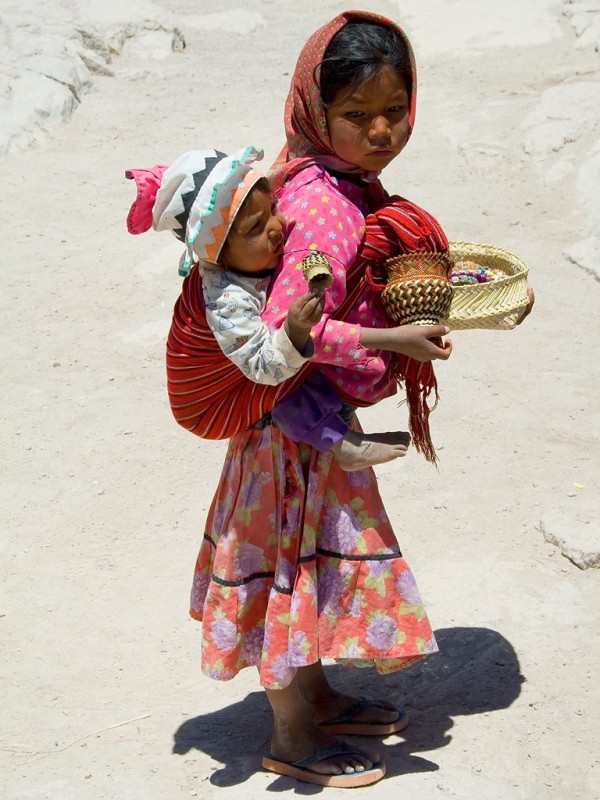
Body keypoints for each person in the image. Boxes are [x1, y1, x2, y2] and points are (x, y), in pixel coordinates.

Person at [183, 11, 466, 789]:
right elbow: (289, 329)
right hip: (289, 444)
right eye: (357, 115)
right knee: (287, 570)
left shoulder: (326, 180)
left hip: (304, 433)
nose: (381, 131)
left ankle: (314, 695)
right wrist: (393, 344)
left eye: (395, 110)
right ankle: (293, 737)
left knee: (306, 566)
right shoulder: (324, 206)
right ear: (316, 108)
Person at [126, 146, 411, 470]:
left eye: (273, 208)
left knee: (298, 355)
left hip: (224, 380)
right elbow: (264, 365)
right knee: (292, 368)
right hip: (208, 405)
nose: (278, 225)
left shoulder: (243, 261)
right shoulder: (228, 302)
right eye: (255, 228)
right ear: (218, 254)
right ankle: (340, 442)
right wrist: (295, 331)